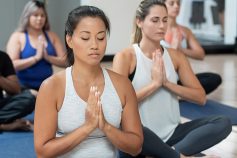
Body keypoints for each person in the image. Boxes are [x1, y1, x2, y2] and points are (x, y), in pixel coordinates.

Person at [112, 0, 231, 157]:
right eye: (155, 20)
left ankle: (169, 154)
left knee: (223, 122)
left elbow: (200, 97)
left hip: (173, 134)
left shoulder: (176, 57)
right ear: (139, 22)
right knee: (128, 131)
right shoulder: (125, 57)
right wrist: (154, 85)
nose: (161, 26)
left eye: (165, 20)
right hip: (142, 136)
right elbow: (117, 106)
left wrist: (167, 83)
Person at [34, 5, 143, 158]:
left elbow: (136, 146)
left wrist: (105, 126)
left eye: (101, 38)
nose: (94, 45)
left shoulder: (122, 85)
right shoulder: (52, 87)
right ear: (69, 40)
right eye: (85, 38)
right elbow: (42, 151)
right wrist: (87, 127)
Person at [162, 0, 222, 95]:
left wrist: (181, 49)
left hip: (182, 79)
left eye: (178, 3)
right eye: (172, 3)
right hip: (165, 78)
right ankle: (183, 93)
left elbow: (201, 54)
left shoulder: (185, 31)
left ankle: (180, 93)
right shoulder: (158, 30)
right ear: (163, 5)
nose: (176, 6)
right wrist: (173, 50)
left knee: (214, 78)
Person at [6, 0, 66, 90]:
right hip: (24, 88)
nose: (39, 19)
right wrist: (36, 58)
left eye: (42, 15)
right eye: (35, 15)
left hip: (47, 86)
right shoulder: (17, 37)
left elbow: (65, 61)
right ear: (27, 16)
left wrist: (47, 57)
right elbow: (12, 65)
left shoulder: (52, 36)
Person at [0, 50, 35, 131]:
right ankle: (4, 126)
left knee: (28, 99)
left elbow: (16, 90)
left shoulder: (2, 56)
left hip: (1, 105)